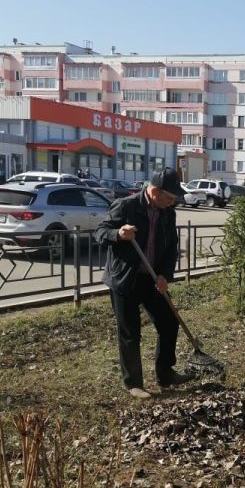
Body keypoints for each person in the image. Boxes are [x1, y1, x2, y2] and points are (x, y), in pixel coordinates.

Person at [95, 168, 194, 399]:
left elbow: (171, 248)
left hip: (151, 278)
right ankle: (134, 383)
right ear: (155, 191)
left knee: (169, 322)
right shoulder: (127, 206)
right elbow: (100, 233)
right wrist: (118, 233)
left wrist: (164, 275)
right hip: (125, 278)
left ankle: (165, 373)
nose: (172, 202)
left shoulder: (168, 212)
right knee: (130, 332)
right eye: (169, 197)